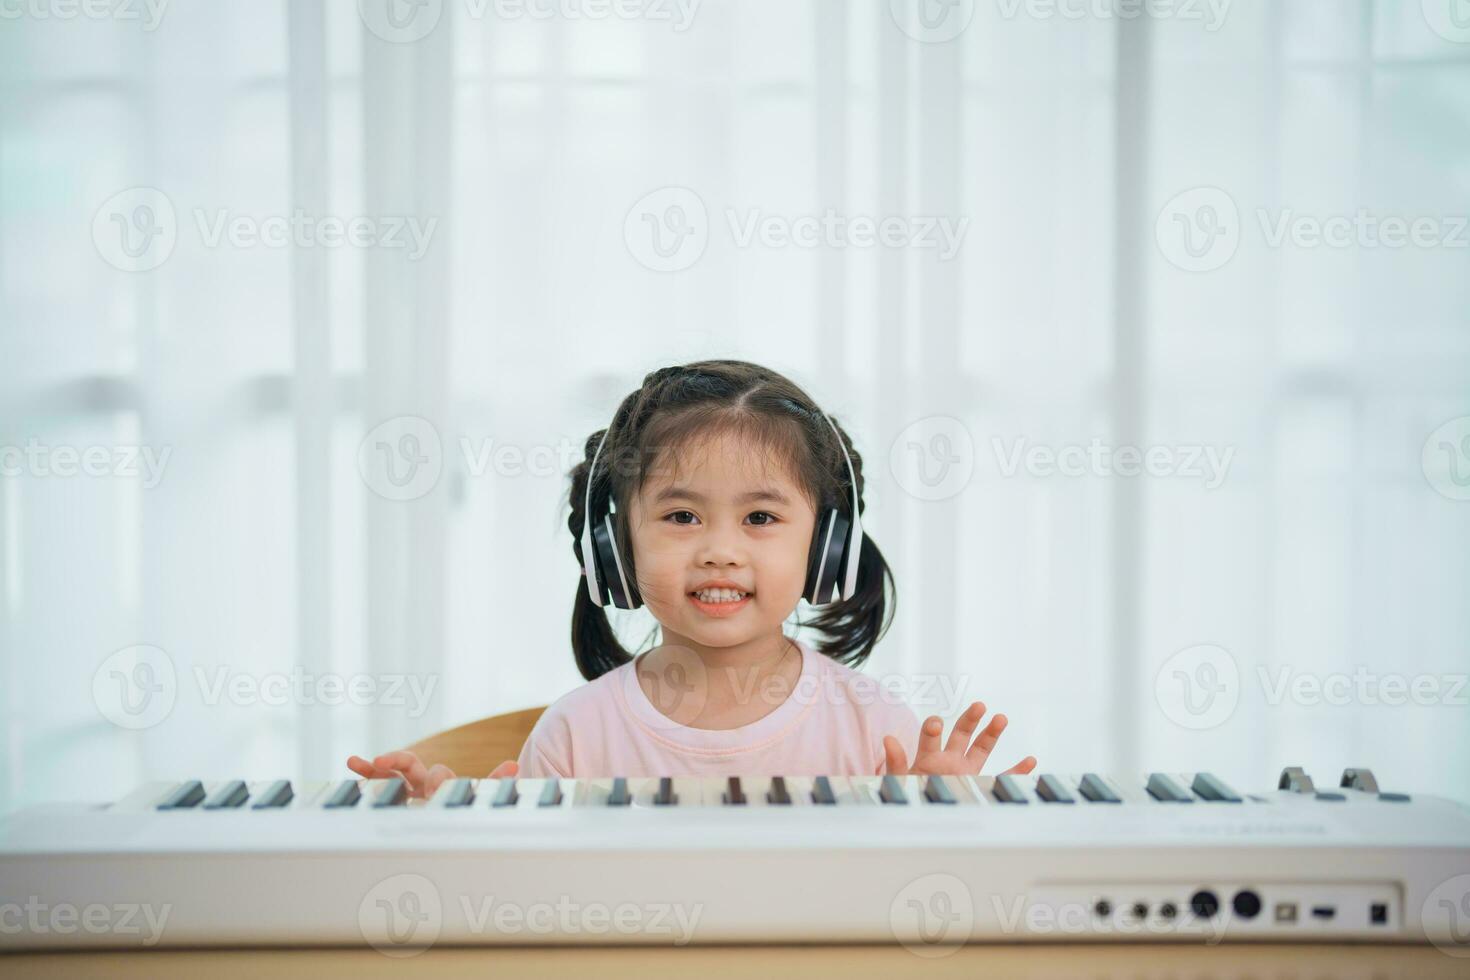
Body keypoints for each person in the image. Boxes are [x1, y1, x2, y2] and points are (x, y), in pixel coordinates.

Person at [349, 360, 1035, 797]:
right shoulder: (576, 735)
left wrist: (934, 813)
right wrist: (448, 824)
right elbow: (531, 908)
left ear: (827, 546)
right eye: (681, 515)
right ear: (617, 549)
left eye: (761, 517)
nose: (719, 551)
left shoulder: (873, 728)